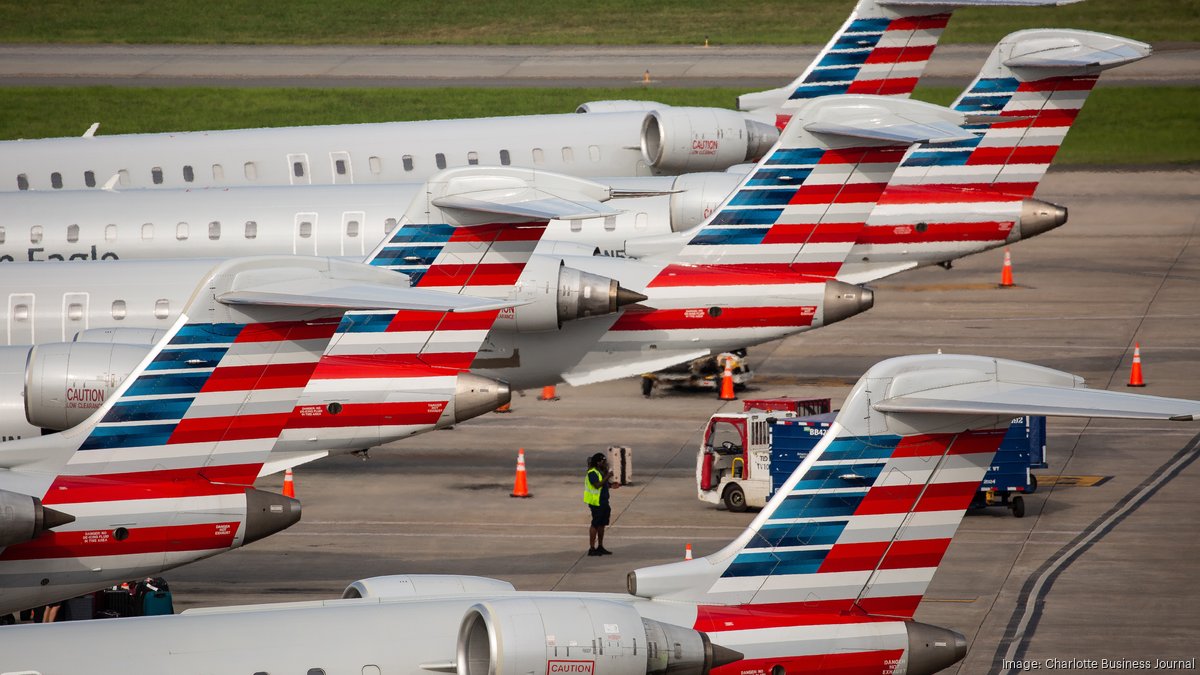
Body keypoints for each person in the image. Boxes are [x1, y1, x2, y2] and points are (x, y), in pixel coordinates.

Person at [584, 452, 619, 556]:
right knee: (595, 524)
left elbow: (603, 484)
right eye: (603, 461)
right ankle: (591, 548)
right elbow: (597, 485)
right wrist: (608, 476)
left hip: (603, 501)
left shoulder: (600, 471)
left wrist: (611, 485)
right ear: (598, 462)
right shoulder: (592, 472)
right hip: (596, 503)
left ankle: (600, 546)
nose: (605, 463)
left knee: (602, 524)